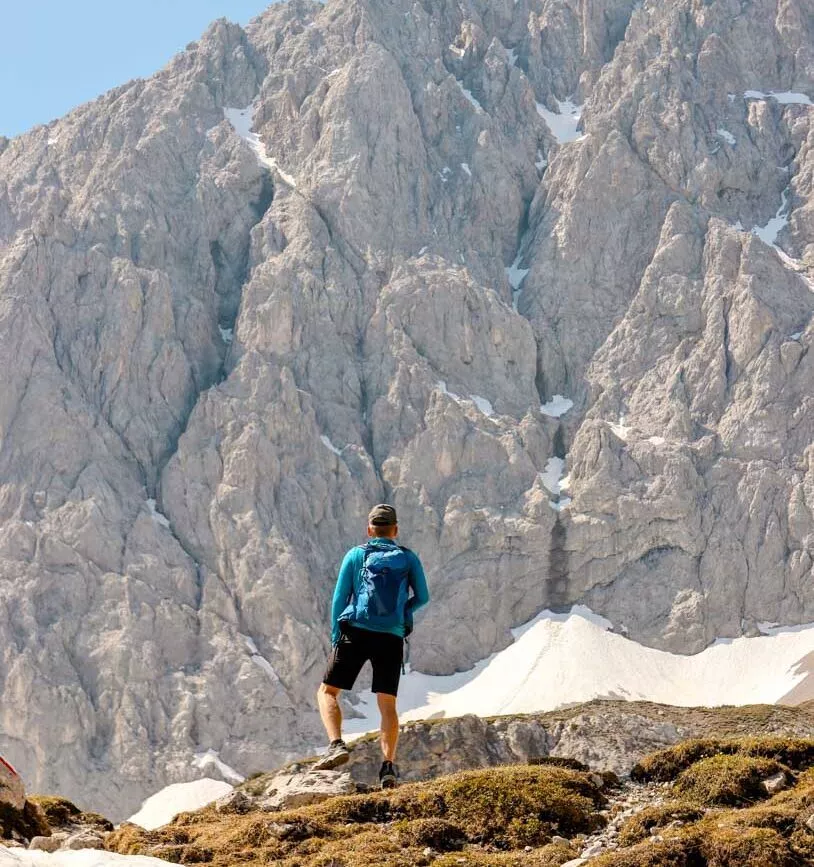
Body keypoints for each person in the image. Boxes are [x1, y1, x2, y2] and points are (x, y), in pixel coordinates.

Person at [314, 504, 430, 788]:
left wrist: (335, 636)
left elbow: (339, 600)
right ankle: (388, 767)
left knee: (328, 691)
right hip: (390, 637)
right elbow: (423, 597)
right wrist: (403, 612)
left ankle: (337, 744)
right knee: (387, 705)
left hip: (356, 632)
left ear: (369, 530)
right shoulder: (407, 558)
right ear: (395, 529)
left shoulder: (356, 555)